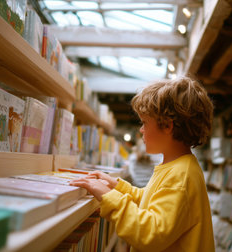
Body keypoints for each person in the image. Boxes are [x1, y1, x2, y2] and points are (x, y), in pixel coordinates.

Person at [70, 76, 215, 252]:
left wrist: (109, 197)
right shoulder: (178, 166)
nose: (141, 129)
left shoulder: (180, 176)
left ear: (168, 126)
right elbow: (150, 199)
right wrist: (116, 187)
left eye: (145, 123)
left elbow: (150, 233)